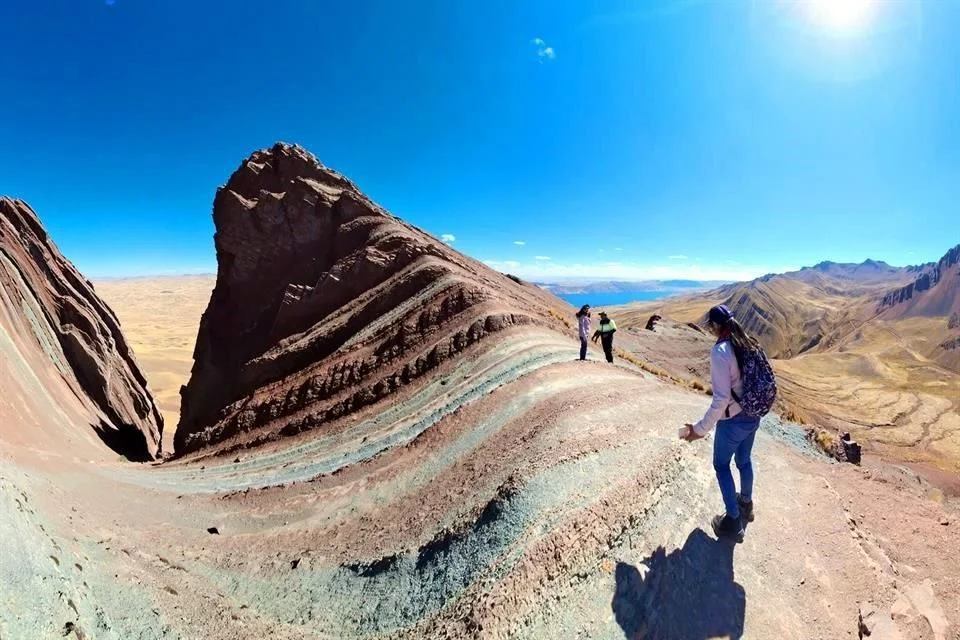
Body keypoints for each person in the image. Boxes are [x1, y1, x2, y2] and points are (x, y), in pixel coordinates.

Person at [682, 304, 761, 543]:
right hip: (753, 414)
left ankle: (733, 521)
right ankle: (746, 504)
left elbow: (721, 399)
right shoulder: (749, 343)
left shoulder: (721, 351)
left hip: (733, 421)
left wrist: (699, 429)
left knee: (721, 465)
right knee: (744, 460)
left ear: (716, 326)